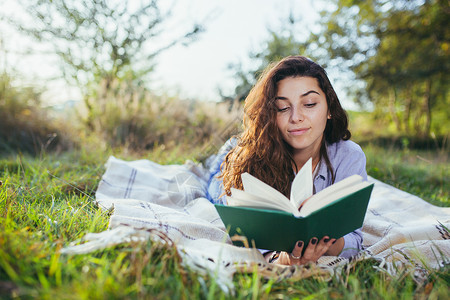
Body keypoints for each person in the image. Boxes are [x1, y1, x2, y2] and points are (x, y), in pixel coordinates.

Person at [206, 55, 367, 265]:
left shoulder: (349, 156)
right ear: (270, 115)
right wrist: (277, 257)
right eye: (282, 108)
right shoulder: (250, 158)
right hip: (231, 155)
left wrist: (331, 244)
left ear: (329, 109)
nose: (295, 117)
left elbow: (355, 239)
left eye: (309, 104)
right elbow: (239, 222)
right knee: (211, 188)